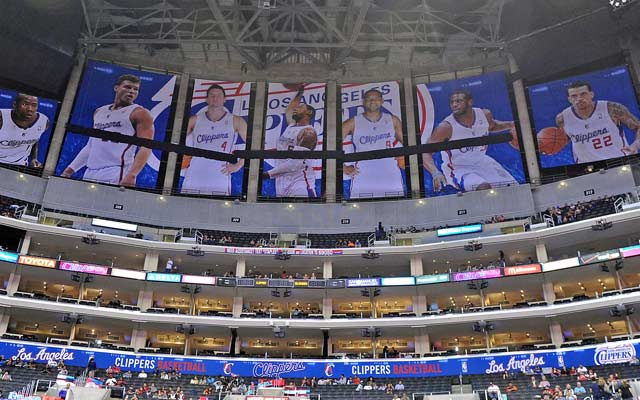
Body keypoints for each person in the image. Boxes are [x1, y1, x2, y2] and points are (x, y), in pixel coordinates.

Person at [61, 74, 154, 187]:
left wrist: (132, 174)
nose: (132, 91)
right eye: (127, 87)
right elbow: (91, 146)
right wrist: (70, 170)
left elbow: (147, 146)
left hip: (116, 171)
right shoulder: (99, 111)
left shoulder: (140, 113)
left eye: (135, 89)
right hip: (90, 171)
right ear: (116, 88)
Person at [422, 90, 518, 193]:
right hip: (458, 168)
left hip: (482, 161)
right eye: (452, 102)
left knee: (515, 189)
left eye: (459, 101)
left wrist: (511, 125)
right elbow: (425, 152)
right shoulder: (446, 127)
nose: (454, 104)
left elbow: (492, 126)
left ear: (470, 102)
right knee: (483, 187)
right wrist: (435, 173)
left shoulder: (485, 115)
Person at [547, 81, 640, 163]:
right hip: (586, 167)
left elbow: (638, 126)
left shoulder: (611, 108)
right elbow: (564, 140)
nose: (579, 98)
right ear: (569, 99)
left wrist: (635, 145)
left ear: (591, 94)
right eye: (574, 96)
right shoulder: (562, 118)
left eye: (583, 94)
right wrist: (549, 145)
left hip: (619, 159)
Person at [180, 84, 247, 195]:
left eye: (219, 95)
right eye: (211, 95)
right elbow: (176, 141)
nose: (215, 98)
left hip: (220, 173)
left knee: (218, 208)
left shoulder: (235, 120)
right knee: (188, 206)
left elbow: (254, 145)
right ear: (206, 99)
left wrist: (238, 165)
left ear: (225, 99)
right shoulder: (195, 119)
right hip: (196, 171)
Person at [342, 89, 405, 199]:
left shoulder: (393, 120)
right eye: (369, 99)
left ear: (382, 101)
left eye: (376, 98)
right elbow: (333, 145)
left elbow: (409, 144)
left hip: (390, 173)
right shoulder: (352, 122)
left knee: (395, 208)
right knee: (361, 210)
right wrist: (343, 167)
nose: (372, 101)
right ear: (364, 102)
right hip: (363, 174)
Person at [262, 126, 318, 197]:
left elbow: (290, 166)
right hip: (285, 189)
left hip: (301, 189)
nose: (309, 134)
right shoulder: (290, 150)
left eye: (311, 134)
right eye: (306, 133)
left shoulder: (304, 155)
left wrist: (267, 174)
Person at [0, 93, 49, 167]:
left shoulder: (44, 121)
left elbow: (34, 139)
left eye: (34, 105)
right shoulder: (2, 117)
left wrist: (34, 158)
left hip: (20, 166)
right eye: (25, 104)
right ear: (14, 104)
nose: (30, 109)